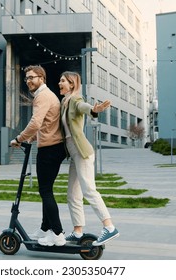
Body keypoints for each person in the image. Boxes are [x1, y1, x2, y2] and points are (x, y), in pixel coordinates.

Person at [58, 71, 119, 246]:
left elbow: (83, 106)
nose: (59, 83)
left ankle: (109, 227)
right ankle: (78, 232)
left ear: (72, 84)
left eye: (63, 81)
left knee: (88, 190)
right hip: (74, 153)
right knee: (72, 194)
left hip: (82, 152)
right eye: (60, 80)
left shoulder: (76, 99)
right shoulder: (65, 101)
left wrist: (94, 109)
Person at [10, 65, 67, 246]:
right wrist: (33, 138)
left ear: (41, 78)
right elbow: (46, 124)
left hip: (50, 149)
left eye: (32, 77)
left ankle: (57, 233)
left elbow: (35, 123)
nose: (28, 81)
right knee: (46, 189)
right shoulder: (47, 95)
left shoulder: (42, 96)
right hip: (51, 147)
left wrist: (19, 138)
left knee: (45, 191)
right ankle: (45, 228)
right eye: (26, 78)